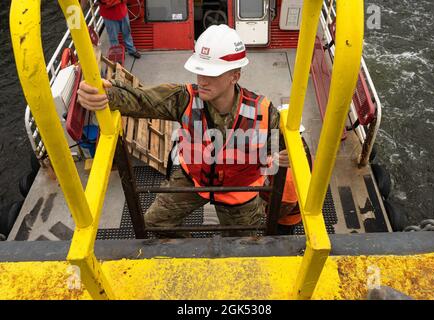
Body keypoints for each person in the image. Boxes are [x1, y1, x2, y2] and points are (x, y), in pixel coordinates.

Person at [77, 24, 293, 236]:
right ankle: (189, 250)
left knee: (245, 241)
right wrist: (105, 95)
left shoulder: (263, 112)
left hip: (239, 192)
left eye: (211, 74)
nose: (202, 81)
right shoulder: (184, 98)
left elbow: (290, 148)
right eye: (199, 71)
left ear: (234, 76)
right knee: (154, 223)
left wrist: (288, 157)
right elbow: (141, 99)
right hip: (193, 179)